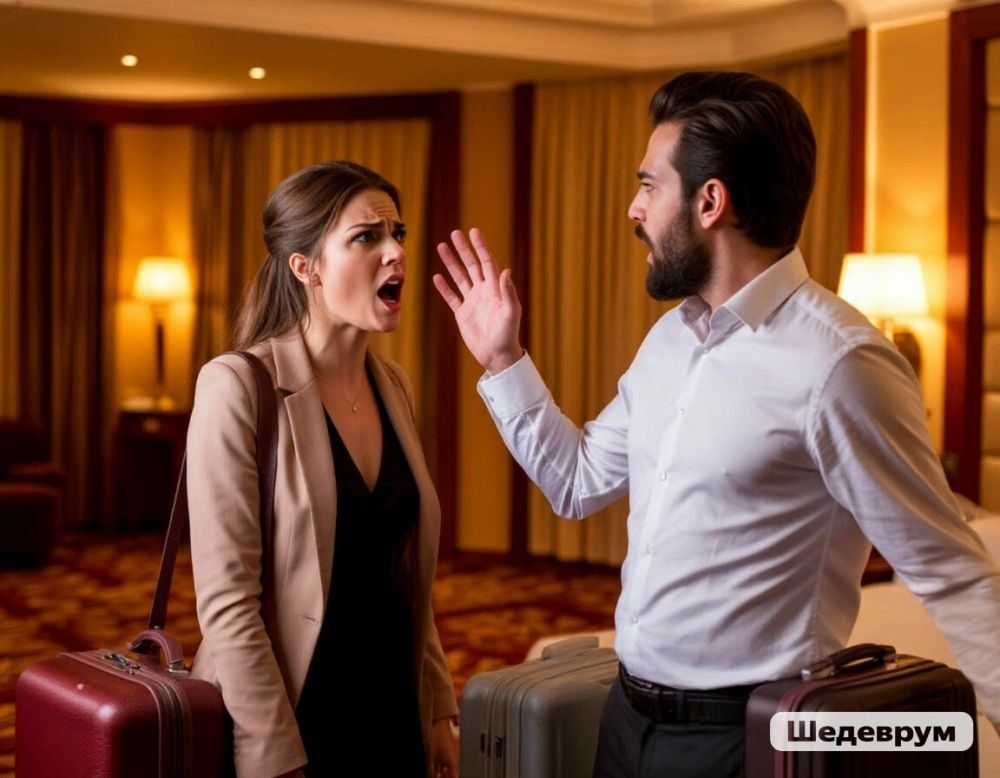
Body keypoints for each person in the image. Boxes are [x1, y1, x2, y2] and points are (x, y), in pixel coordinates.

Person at [433, 71, 1000, 778]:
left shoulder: (841, 363)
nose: (634, 208)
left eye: (649, 185)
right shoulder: (669, 340)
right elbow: (576, 482)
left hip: (740, 739)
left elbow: (951, 573)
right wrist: (503, 359)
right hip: (625, 720)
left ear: (710, 201)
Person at [186, 161, 459, 778]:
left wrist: (438, 707)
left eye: (398, 233)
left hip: (391, 707)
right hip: (297, 717)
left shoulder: (393, 386)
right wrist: (274, 756)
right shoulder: (237, 387)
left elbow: (405, 573)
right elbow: (229, 605)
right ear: (305, 267)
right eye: (366, 237)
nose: (395, 251)